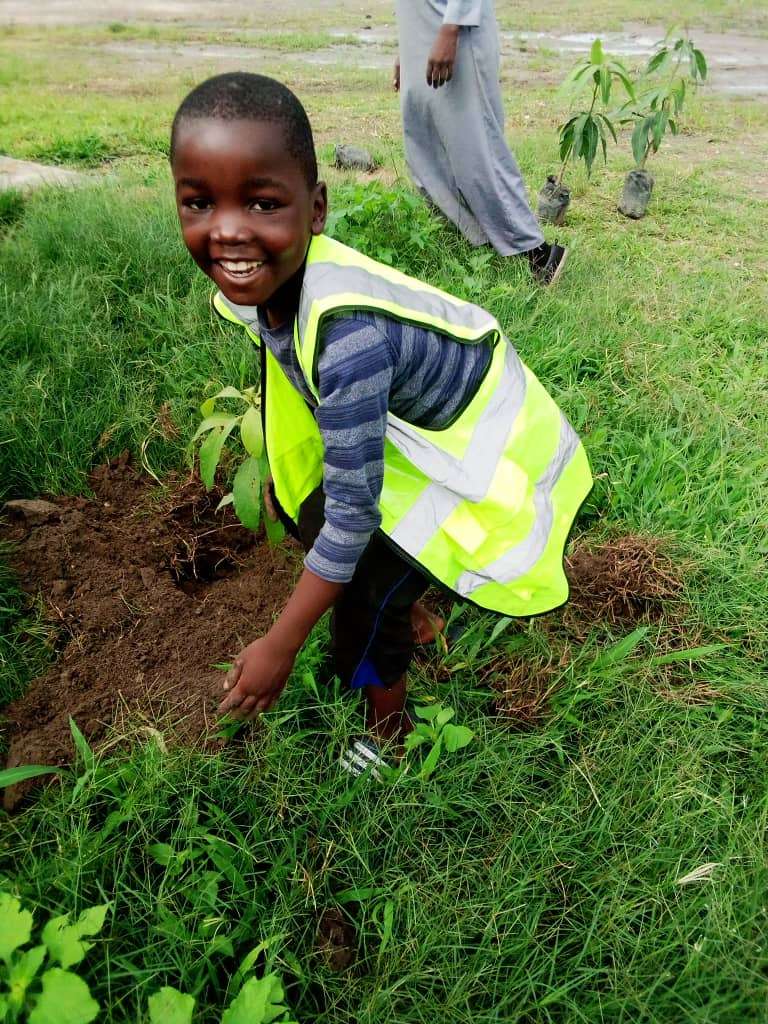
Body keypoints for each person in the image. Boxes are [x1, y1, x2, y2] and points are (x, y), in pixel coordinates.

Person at [170, 73, 591, 777]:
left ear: (317, 209)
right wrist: (282, 477)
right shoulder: (268, 282)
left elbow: (356, 515)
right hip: (409, 431)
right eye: (199, 203)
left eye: (263, 203)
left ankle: (385, 735)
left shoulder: (350, 343)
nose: (230, 230)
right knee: (317, 520)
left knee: (367, 607)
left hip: (480, 458)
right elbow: (285, 378)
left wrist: (281, 643)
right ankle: (409, 617)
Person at [394, 0, 566, 285]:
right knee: (424, 141)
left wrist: (451, 28)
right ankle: (474, 239)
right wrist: (406, 48)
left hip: (453, 25)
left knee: (475, 147)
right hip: (420, 27)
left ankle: (535, 253)